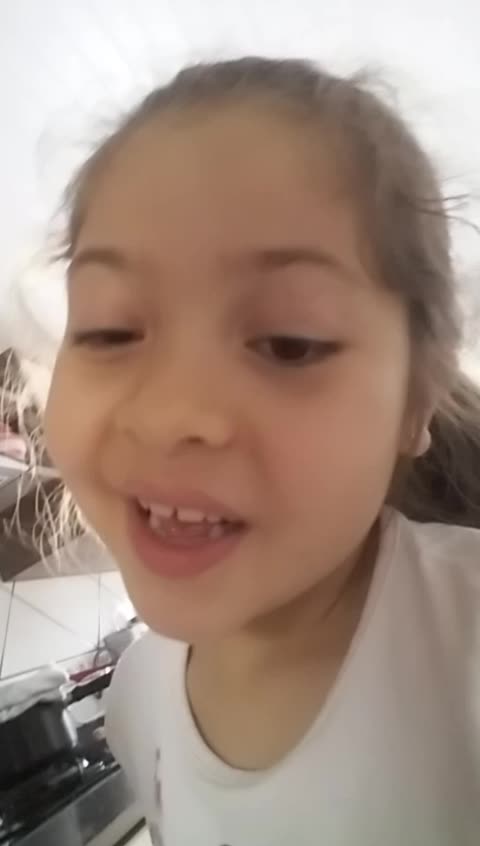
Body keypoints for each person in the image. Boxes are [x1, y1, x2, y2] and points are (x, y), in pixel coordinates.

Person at [12, 57, 480, 844]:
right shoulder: (137, 706)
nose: (170, 416)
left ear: (415, 403)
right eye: (110, 329)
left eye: (290, 343)